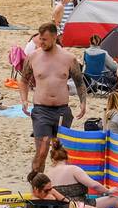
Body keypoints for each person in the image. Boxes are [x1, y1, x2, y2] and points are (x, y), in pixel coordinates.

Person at [19, 22, 87, 175]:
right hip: (41, 109)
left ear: (55, 37)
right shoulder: (33, 57)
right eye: (40, 39)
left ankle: (57, 184)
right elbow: (23, 80)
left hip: (62, 110)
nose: (41, 43)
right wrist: (24, 99)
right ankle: (36, 183)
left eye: (45, 39)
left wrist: (83, 103)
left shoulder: (69, 58)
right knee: (42, 150)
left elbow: (79, 82)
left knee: (60, 152)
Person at [45, 139, 118, 208]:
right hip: (81, 207)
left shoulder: (48, 174)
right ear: (67, 158)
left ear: (52, 160)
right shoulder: (73, 169)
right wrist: (108, 191)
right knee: (114, 200)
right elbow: (94, 185)